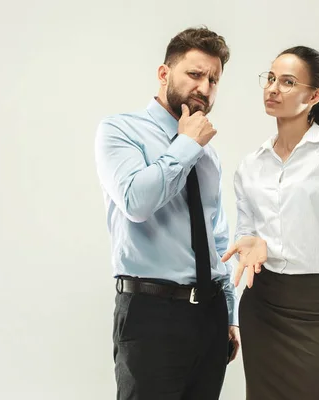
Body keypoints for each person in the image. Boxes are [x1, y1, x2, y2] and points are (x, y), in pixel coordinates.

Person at [221, 45, 319, 400]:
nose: (273, 88)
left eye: (288, 82)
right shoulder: (249, 166)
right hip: (261, 307)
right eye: (271, 78)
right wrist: (251, 242)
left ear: (314, 95)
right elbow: (243, 241)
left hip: (317, 307)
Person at [94, 26, 240, 400]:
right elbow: (136, 203)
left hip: (209, 317)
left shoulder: (208, 153)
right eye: (194, 74)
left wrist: (229, 314)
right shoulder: (120, 130)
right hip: (150, 312)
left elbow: (216, 236)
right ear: (164, 74)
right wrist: (187, 143)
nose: (204, 89)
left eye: (213, 80)